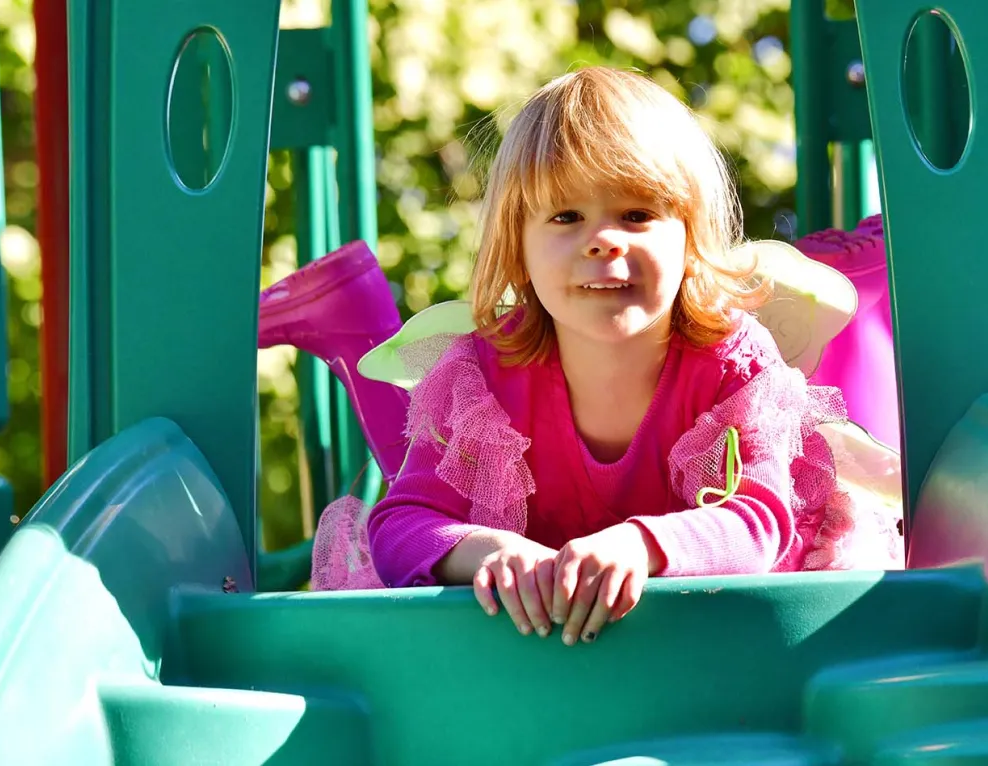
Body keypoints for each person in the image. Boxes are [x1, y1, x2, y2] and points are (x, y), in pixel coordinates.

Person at [309, 66, 898, 646]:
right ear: (519, 247)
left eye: (637, 215)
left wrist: (636, 546)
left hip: (714, 641)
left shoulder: (731, 364)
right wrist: (492, 553)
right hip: (538, 650)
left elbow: (758, 520)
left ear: (689, 238)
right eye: (566, 216)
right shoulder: (481, 375)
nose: (602, 239)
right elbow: (401, 526)